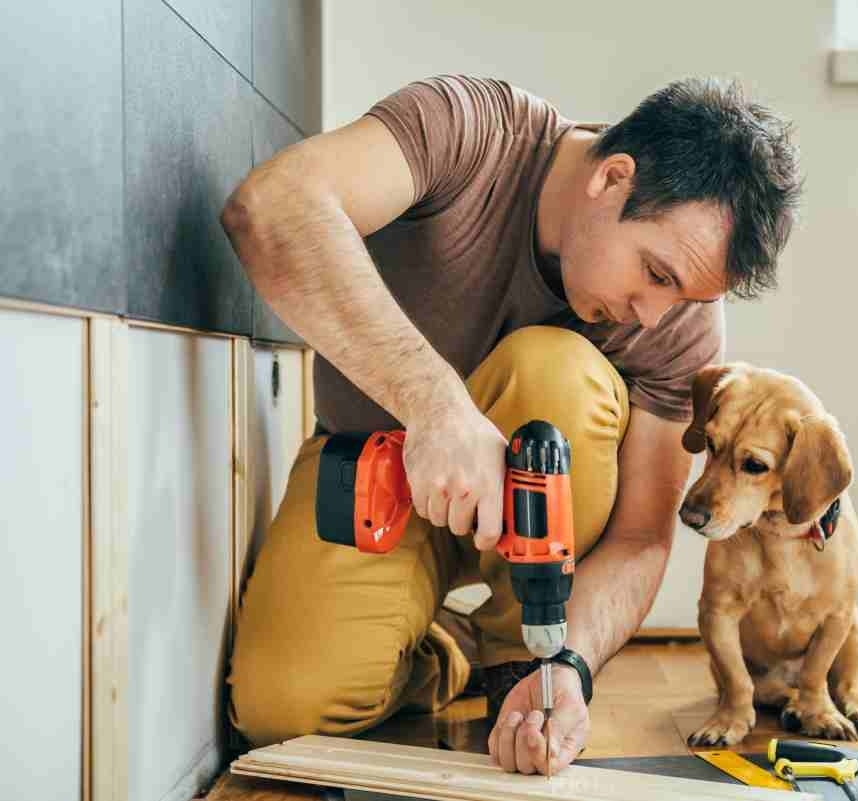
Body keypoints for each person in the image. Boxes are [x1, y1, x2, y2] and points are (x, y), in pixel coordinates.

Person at [220, 73, 801, 776]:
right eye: (654, 272)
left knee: (556, 370)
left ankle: (521, 657)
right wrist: (436, 405)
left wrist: (573, 662)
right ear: (613, 178)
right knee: (284, 708)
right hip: (376, 464)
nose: (653, 314)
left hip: (538, 549)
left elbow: (642, 537)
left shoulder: (679, 323)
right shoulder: (468, 130)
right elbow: (272, 206)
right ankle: (448, 646)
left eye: (681, 296)